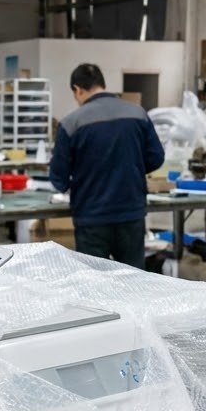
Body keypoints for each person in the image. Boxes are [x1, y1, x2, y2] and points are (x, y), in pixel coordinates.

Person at [49, 63, 164, 269]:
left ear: (77, 89)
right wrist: (131, 169)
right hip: (131, 212)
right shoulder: (137, 113)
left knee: (95, 285)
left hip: (91, 216)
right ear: (102, 84)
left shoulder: (71, 123)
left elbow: (59, 177)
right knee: (134, 281)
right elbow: (156, 157)